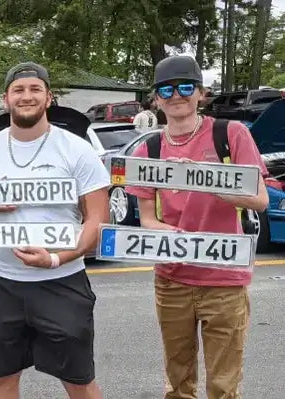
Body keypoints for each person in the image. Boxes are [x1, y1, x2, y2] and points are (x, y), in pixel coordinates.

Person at [0, 62, 109, 399]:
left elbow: (97, 220)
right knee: (2, 378)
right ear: (5, 99)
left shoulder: (77, 149)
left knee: (80, 380)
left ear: (48, 97)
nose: (27, 96)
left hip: (62, 282)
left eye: (35, 89)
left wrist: (55, 259)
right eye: (19, 90)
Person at [125, 55, 269, 399]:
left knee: (223, 385)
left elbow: (261, 199)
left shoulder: (230, 134)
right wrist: (165, 233)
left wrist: (214, 186)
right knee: (178, 383)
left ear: (200, 93)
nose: (177, 95)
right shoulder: (150, 148)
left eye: (186, 87)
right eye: (167, 89)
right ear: (156, 98)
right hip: (172, 278)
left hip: (225, 280)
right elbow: (147, 218)